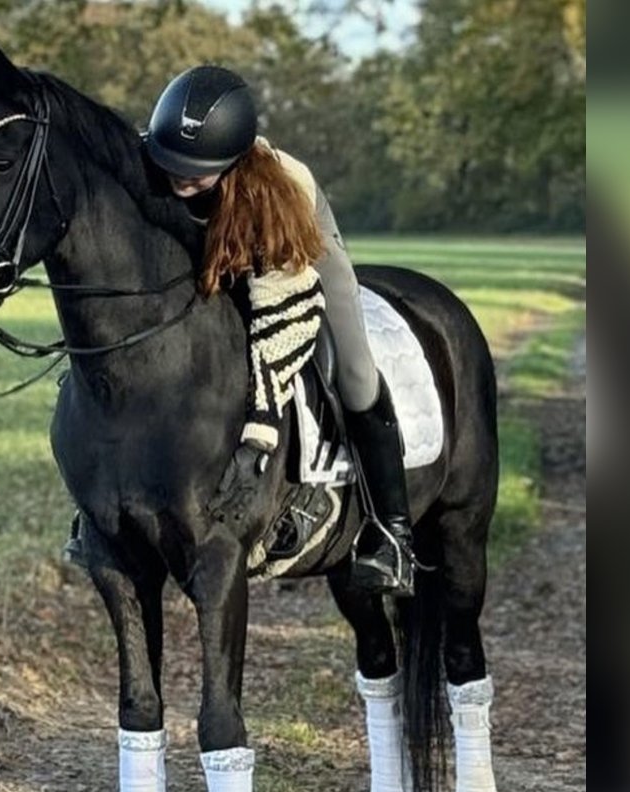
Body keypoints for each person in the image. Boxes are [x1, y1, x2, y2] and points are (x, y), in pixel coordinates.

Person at [69, 65, 415, 594]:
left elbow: (280, 315)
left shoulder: (272, 189)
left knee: (356, 372)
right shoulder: (148, 160)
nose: (180, 179)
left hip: (294, 250)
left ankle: (391, 534)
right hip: (208, 261)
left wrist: (259, 427)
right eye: (170, 164)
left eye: (197, 171)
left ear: (232, 160)